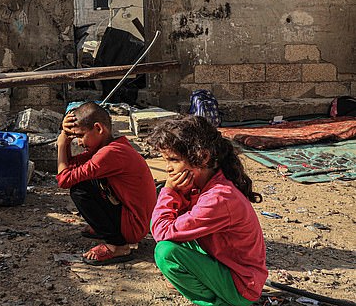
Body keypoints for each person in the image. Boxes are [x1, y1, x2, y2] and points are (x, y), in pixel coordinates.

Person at [148, 115, 267, 306]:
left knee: (166, 252)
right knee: (169, 231)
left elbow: (162, 232)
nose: (168, 169)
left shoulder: (219, 197)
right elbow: (164, 224)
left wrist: (169, 191)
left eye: (173, 160)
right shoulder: (204, 184)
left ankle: (218, 303)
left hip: (242, 287)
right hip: (225, 265)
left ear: (203, 157)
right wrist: (176, 194)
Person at [55, 102, 157, 265]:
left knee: (79, 190)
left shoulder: (110, 153)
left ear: (99, 129)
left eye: (81, 136)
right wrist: (66, 138)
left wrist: (61, 144)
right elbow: (72, 165)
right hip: (132, 218)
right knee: (84, 180)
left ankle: (118, 245)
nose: (79, 143)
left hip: (133, 226)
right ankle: (106, 227)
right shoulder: (109, 147)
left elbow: (64, 180)